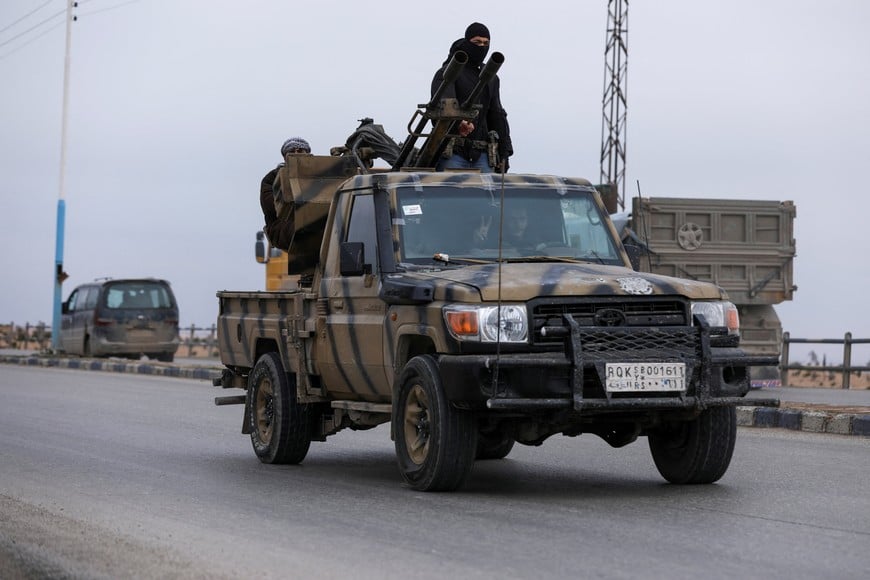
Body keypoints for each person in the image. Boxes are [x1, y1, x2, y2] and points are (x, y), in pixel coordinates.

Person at [431, 22, 513, 173]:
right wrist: (458, 123)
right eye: (477, 42)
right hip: (452, 152)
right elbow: (442, 106)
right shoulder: (446, 73)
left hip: (482, 154)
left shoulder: (491, 78)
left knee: (488, 196)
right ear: (467, 42)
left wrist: (504, 152)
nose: (482, 46)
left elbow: (496, 115)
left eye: (486, 43)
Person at [259, 137, 311, 251]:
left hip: (313, 220)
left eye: (301, 150)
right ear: (285, 156)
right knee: (306, 229)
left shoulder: (319, 174)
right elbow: (271, 207)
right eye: (292, 151)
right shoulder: (272, 178)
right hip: (282, 226)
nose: (296, 153)